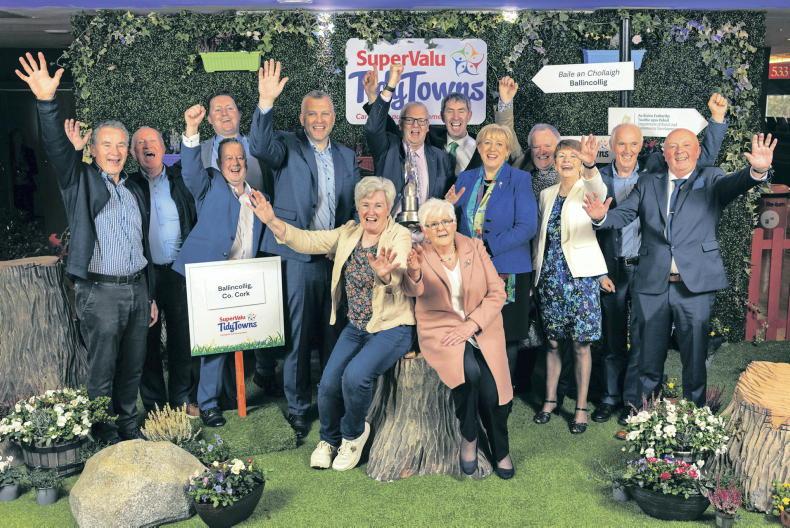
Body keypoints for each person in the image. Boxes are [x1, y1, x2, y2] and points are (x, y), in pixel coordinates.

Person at [16, 51, 158, 443]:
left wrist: (149, 295)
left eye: (121, 145)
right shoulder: (79, 181)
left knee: (133, 366)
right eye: (107, 144)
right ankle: (102, 431)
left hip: (136, 289)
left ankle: (128, 425)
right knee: (103, 368)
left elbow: (141, 244)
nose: (115, 151)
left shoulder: (133, 189)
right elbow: (57, 152)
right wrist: (47, 101)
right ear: (92, 149)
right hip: (100, 292)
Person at [584, 131, 776, 407]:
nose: (679, 151)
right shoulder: (647, 182)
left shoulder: (712, 179)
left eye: (686, 145)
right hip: (652, 284)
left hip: (695, 285)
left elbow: (737, 183)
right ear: (664, 153)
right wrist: (601, 217)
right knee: (648, 356)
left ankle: (694, 416)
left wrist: (757, 171)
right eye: (672, 146)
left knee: (694, 357)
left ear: (698, 152)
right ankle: (644, 414)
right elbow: (624, 214)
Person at [248, 177, 414, 472]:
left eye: (378, 205)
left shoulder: (399, 235)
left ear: (389, 208)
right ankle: (328, 439)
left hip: (391, 327)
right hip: (356, 326)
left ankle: (353, 435)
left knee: (355, 377)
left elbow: (399, 272)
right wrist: (272, 220)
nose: (371, 211)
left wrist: (385, 274)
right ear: (358, 207)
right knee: (326, 384)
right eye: (365, 204)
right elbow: (309, 241)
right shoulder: (349, 233)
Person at [591, 93, 729, 426]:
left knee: (671, 352)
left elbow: (705, 162)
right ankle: (635, 411)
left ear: (643, 147)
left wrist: (717, 123)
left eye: (633, 144)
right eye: (621, 144)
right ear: (612, 147)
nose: (627, 149)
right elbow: (619, 214)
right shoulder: (624, 178)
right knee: (630, 346)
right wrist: (600, 217)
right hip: (628, 273)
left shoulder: (664, 171)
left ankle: (686, 417)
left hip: (665, 274)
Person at [249, 59, 361, 439]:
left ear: (334, 118)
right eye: (311, 114)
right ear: (301, 118)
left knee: (333, 335)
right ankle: (297, 408)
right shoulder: (286, 147)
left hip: (334, 258)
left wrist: (344, 243)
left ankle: (329, 402)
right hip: (296, 257)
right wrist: (266, 102)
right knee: (297, 336)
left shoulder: (346, 156)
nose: (318, 120)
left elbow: (354, 207)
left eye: (325, 114)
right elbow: (259, 145)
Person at [404, 198, 514, 479]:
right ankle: (470, 435)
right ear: (424, 230)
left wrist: (472, 324)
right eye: (433, 224)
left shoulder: (474, 247)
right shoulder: (419, 254)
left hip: (482, 326)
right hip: (441, 328)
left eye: (446, 221)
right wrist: (413, 272)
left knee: (493, 392)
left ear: (455, 223)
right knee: (469, 372)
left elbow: (497, 292)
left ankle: (501, 449)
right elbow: (412, 290)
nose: (441, 228)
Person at [173, 103, 266, 428]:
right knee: (214, 342)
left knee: (238, 339)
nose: (235, 163)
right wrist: (191, 131)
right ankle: (208, 404)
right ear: (219, 163)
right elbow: (189, 171)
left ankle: (231, 397)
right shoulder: (209, 185)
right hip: (209, 277)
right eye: (229, 159)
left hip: (244, 279)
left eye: (240, 158)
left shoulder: (258, 198)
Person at [447, 123, 538, 387]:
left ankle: (502, 397)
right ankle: (480, 394)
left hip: (508, 269)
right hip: (470, 270)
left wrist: (488, 247)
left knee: (505, 335)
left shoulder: (519, 180)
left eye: (499, 144)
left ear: (508, 150)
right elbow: (450, 223)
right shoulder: (466, 179)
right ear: (478, 147)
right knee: (476, 330)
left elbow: (527, 226)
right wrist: (447, 206)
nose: (492, 149)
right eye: (487, 143)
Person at [532, 136, 609, 434]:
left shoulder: (589, 189)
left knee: (580, 345)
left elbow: (598, 187)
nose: (566, 161)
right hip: (550, 279)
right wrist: (536, 276)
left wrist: (589, 165)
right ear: (554, 162)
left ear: (580, 163)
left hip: (581, 280)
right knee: (552, 342)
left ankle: (580, 407)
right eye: (561, 156)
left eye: (572, 157)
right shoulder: (546, 194)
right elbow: (541, 240)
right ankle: (550, 400)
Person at [202, 92, 276, 394]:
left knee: (260, 316)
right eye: (217, 110)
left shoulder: (258, 149)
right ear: (209, 118)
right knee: (219, 326)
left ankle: (265, 375)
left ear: (240, 114)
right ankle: (221, 391)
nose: (224, 113)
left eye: (230, 108)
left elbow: (271, 190)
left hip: (255, 247)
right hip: (216, 255)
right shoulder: (199, 152)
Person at [363, 74, 523, 177]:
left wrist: (505, 102)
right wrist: (373, 98)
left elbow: (505, 136)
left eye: (461, 111)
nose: (456, 117)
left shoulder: (484, 145)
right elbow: (392, 129)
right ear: (441, 116)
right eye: (450, 111)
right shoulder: (427, 137)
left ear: (469, 115)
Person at [364, 64, 454, 213]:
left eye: (421, 121)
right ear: (400, 125)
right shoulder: (387, 149)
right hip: (391, 225)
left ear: (427, 126)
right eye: (409, 120)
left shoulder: (441, 158)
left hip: (426, 226)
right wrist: (391, 85)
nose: (415, 125)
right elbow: (373, 128)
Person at [9, 129, 38, 218]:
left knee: (28, 209)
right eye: (15, 138)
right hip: (15, 187)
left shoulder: (28, 152)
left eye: (19, 138)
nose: (17, 140)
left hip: (26, 185)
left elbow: (34, 169)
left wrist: (26, 170)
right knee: (18, 209)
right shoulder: (9, 154)